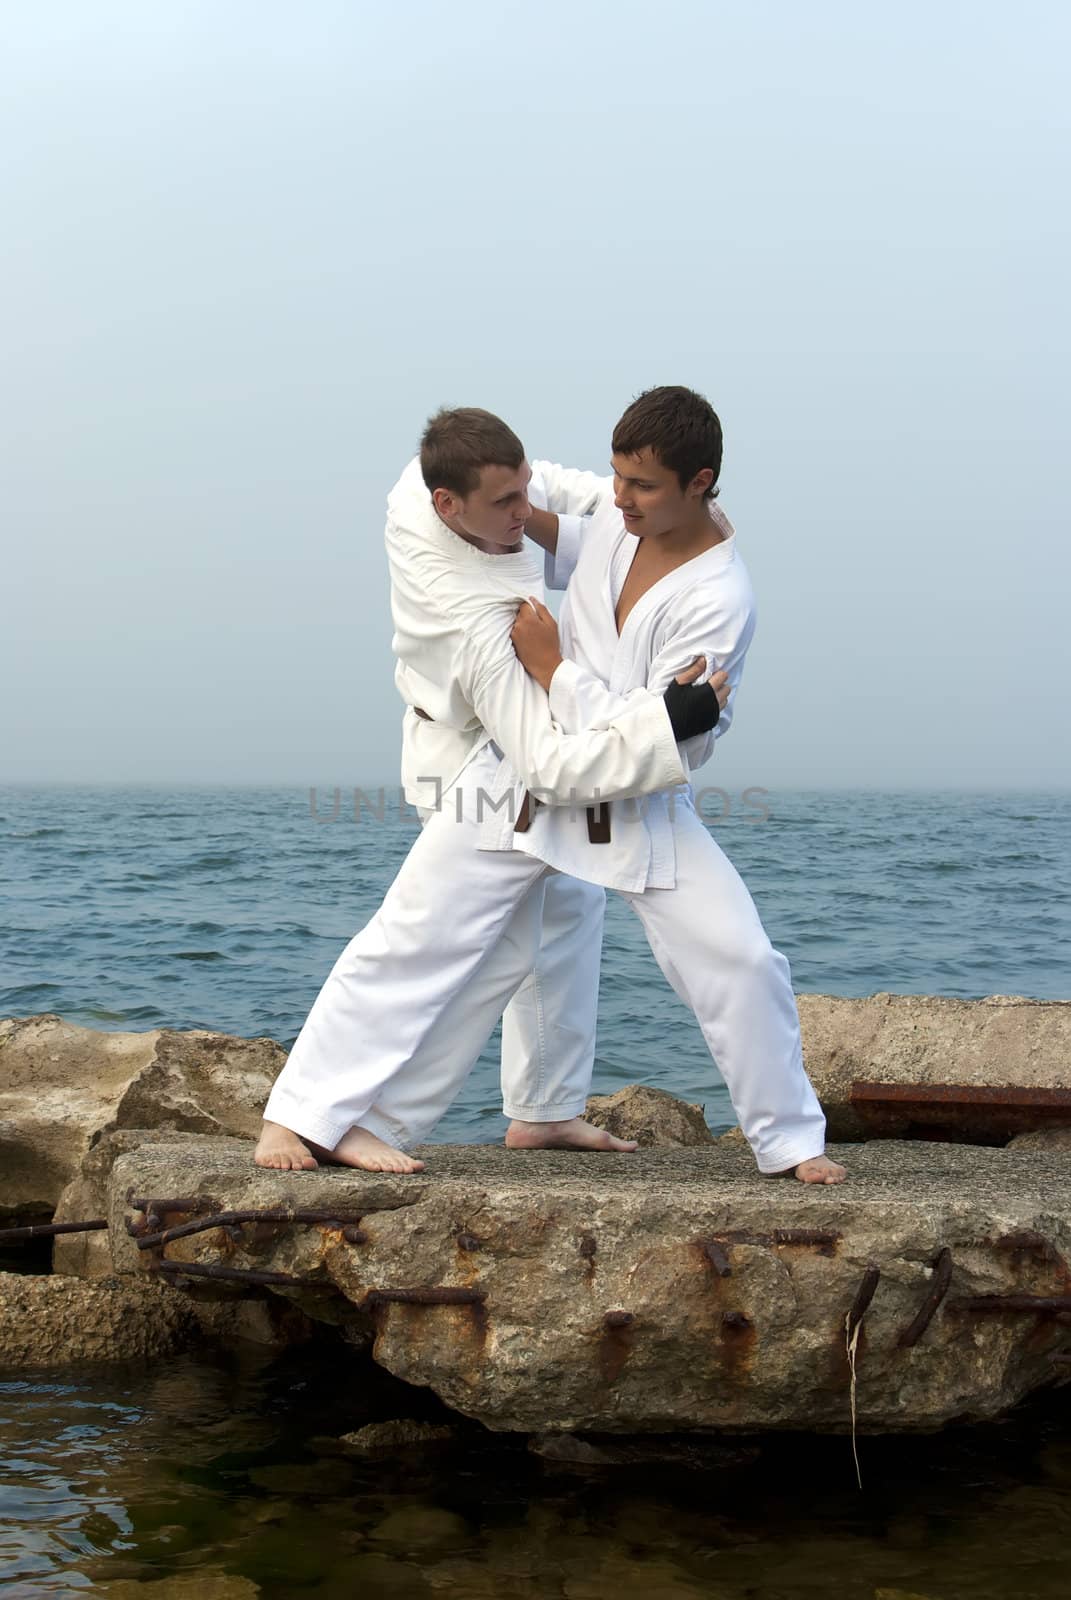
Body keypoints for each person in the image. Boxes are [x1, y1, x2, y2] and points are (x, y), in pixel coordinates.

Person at [255, 407, 727, 1174]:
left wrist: (687, 518)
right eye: (506, 506)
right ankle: (313, 1114)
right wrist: (669, 723)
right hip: (480, 758)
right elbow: (547, 763)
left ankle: (543, 1110)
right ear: (450, 506)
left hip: (517, 737)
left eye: (523, 492)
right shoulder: (484, 611)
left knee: (568, 914)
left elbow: (580, 498)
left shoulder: (424, 479)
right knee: (445, 940)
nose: (526, 516)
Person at [495, 386, 845, 1184]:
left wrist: (552, 670)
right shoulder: (614, 532)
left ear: (700, 481)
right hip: (541, 780)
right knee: (476, 944)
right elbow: (551, 524)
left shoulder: (719, 597)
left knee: (739, 957)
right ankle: (532, 1115)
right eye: (616, 477)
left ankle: (790, 1140)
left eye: (641, 484)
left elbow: (663, 728)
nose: (619, 497)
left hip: (642, 798)